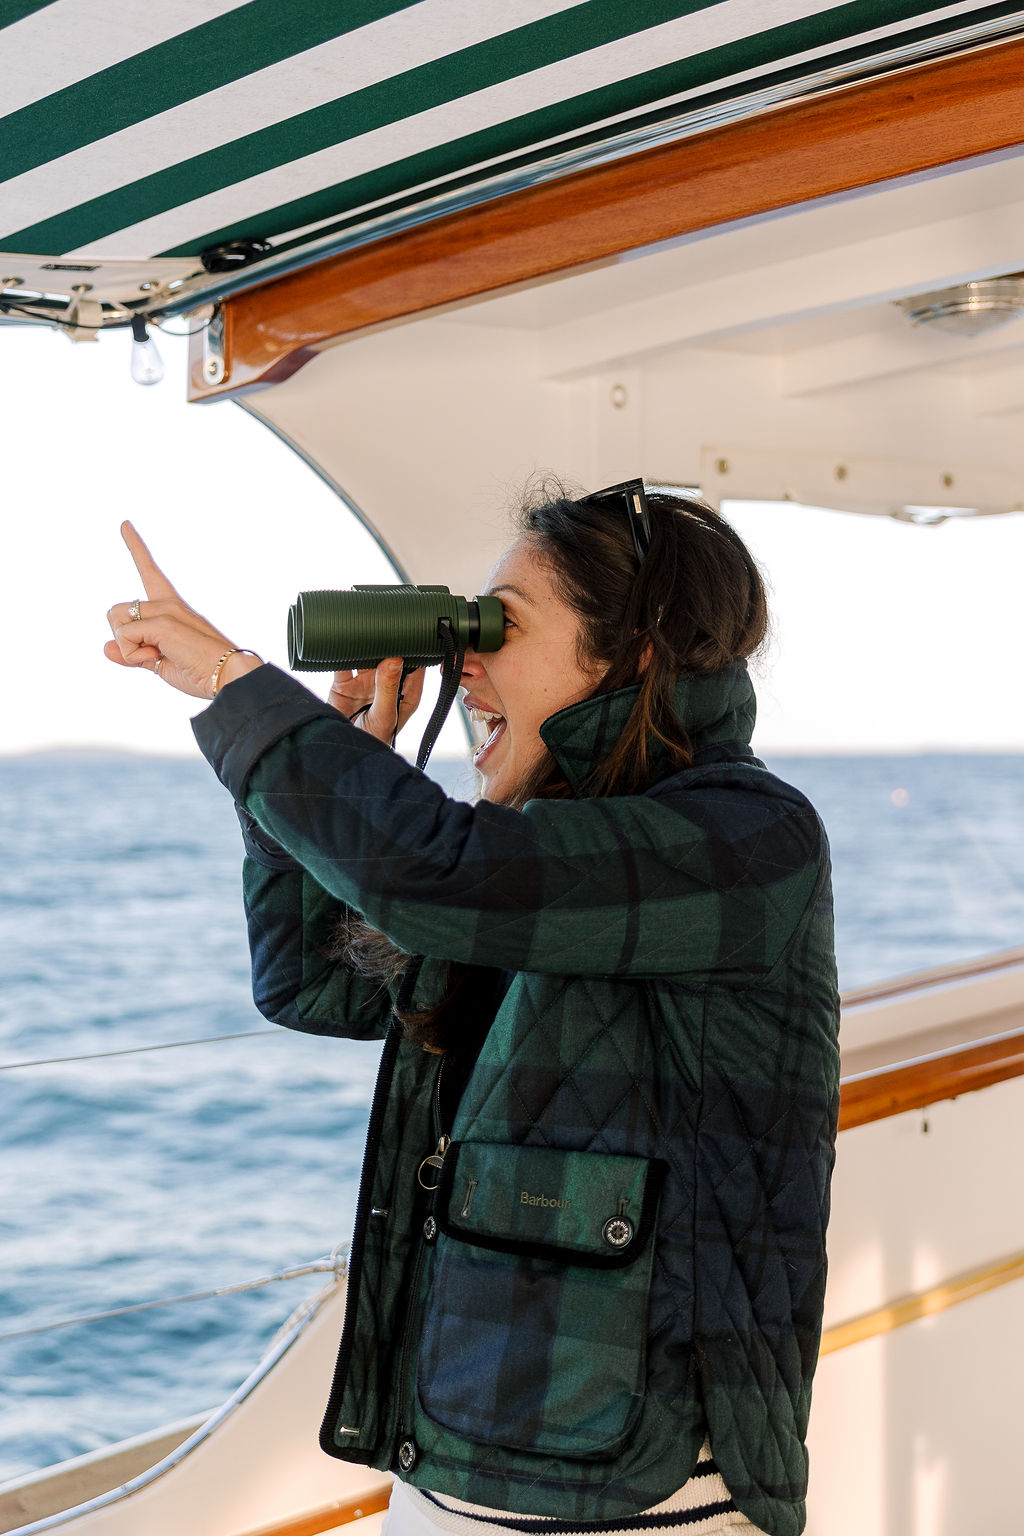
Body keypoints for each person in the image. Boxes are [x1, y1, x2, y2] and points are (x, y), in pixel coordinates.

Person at [105, 481, 840, 1536]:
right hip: (474, 1453)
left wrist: (234, 685)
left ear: (631, 652)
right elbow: (316, 985)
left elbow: (439, 874)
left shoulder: (743, 840)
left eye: (499, 626)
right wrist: (322, 768)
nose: (467, 663)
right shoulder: (543, 864)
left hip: (634, 1490)